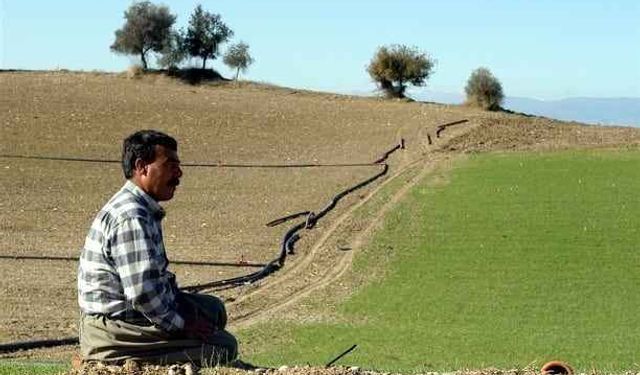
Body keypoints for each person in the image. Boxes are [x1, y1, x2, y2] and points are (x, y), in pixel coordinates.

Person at [77, 130, 238, 366]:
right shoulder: (132, 217)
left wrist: (185, 310)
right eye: (170, 165)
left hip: (128, 314)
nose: (179, 173)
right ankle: (120, 358)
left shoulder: (140, 207)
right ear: (142, 167)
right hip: (115, 327)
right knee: (223, 346)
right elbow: (143, 294)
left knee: (214, 311)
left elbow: (152, 283)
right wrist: (184, 325)